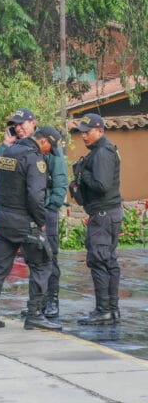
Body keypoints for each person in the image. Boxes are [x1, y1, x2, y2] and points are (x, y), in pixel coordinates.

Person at [0, 127, 61, 331]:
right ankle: (34, 314)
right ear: (43, 141)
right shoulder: (34, 159)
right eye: (49, 148)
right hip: (24, 222)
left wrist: (3, 212)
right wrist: (40, 220)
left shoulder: (8, 152)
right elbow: (36, 195)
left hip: (4, 219)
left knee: (0, 269)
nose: (48, 153)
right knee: (43, 264)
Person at [70, 113, 123, 325]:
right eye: (82, 132)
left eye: (88, 131)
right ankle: (111, 310)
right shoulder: (101, 152)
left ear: (100, 130)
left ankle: (104, 310)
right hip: (106, 213)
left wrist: (83, 174)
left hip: (104, 215)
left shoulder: (102, 152)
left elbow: (102, 185)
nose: (84, 136)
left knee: (99, 260)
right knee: (107, 261)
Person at [41, 126, 68, 319]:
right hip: (33, 210)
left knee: (50, 256)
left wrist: (50, 207)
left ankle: (52, 300)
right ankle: (39, 301)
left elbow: (60, 185)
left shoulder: (55, 156)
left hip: (47, 211)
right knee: (35, 258)